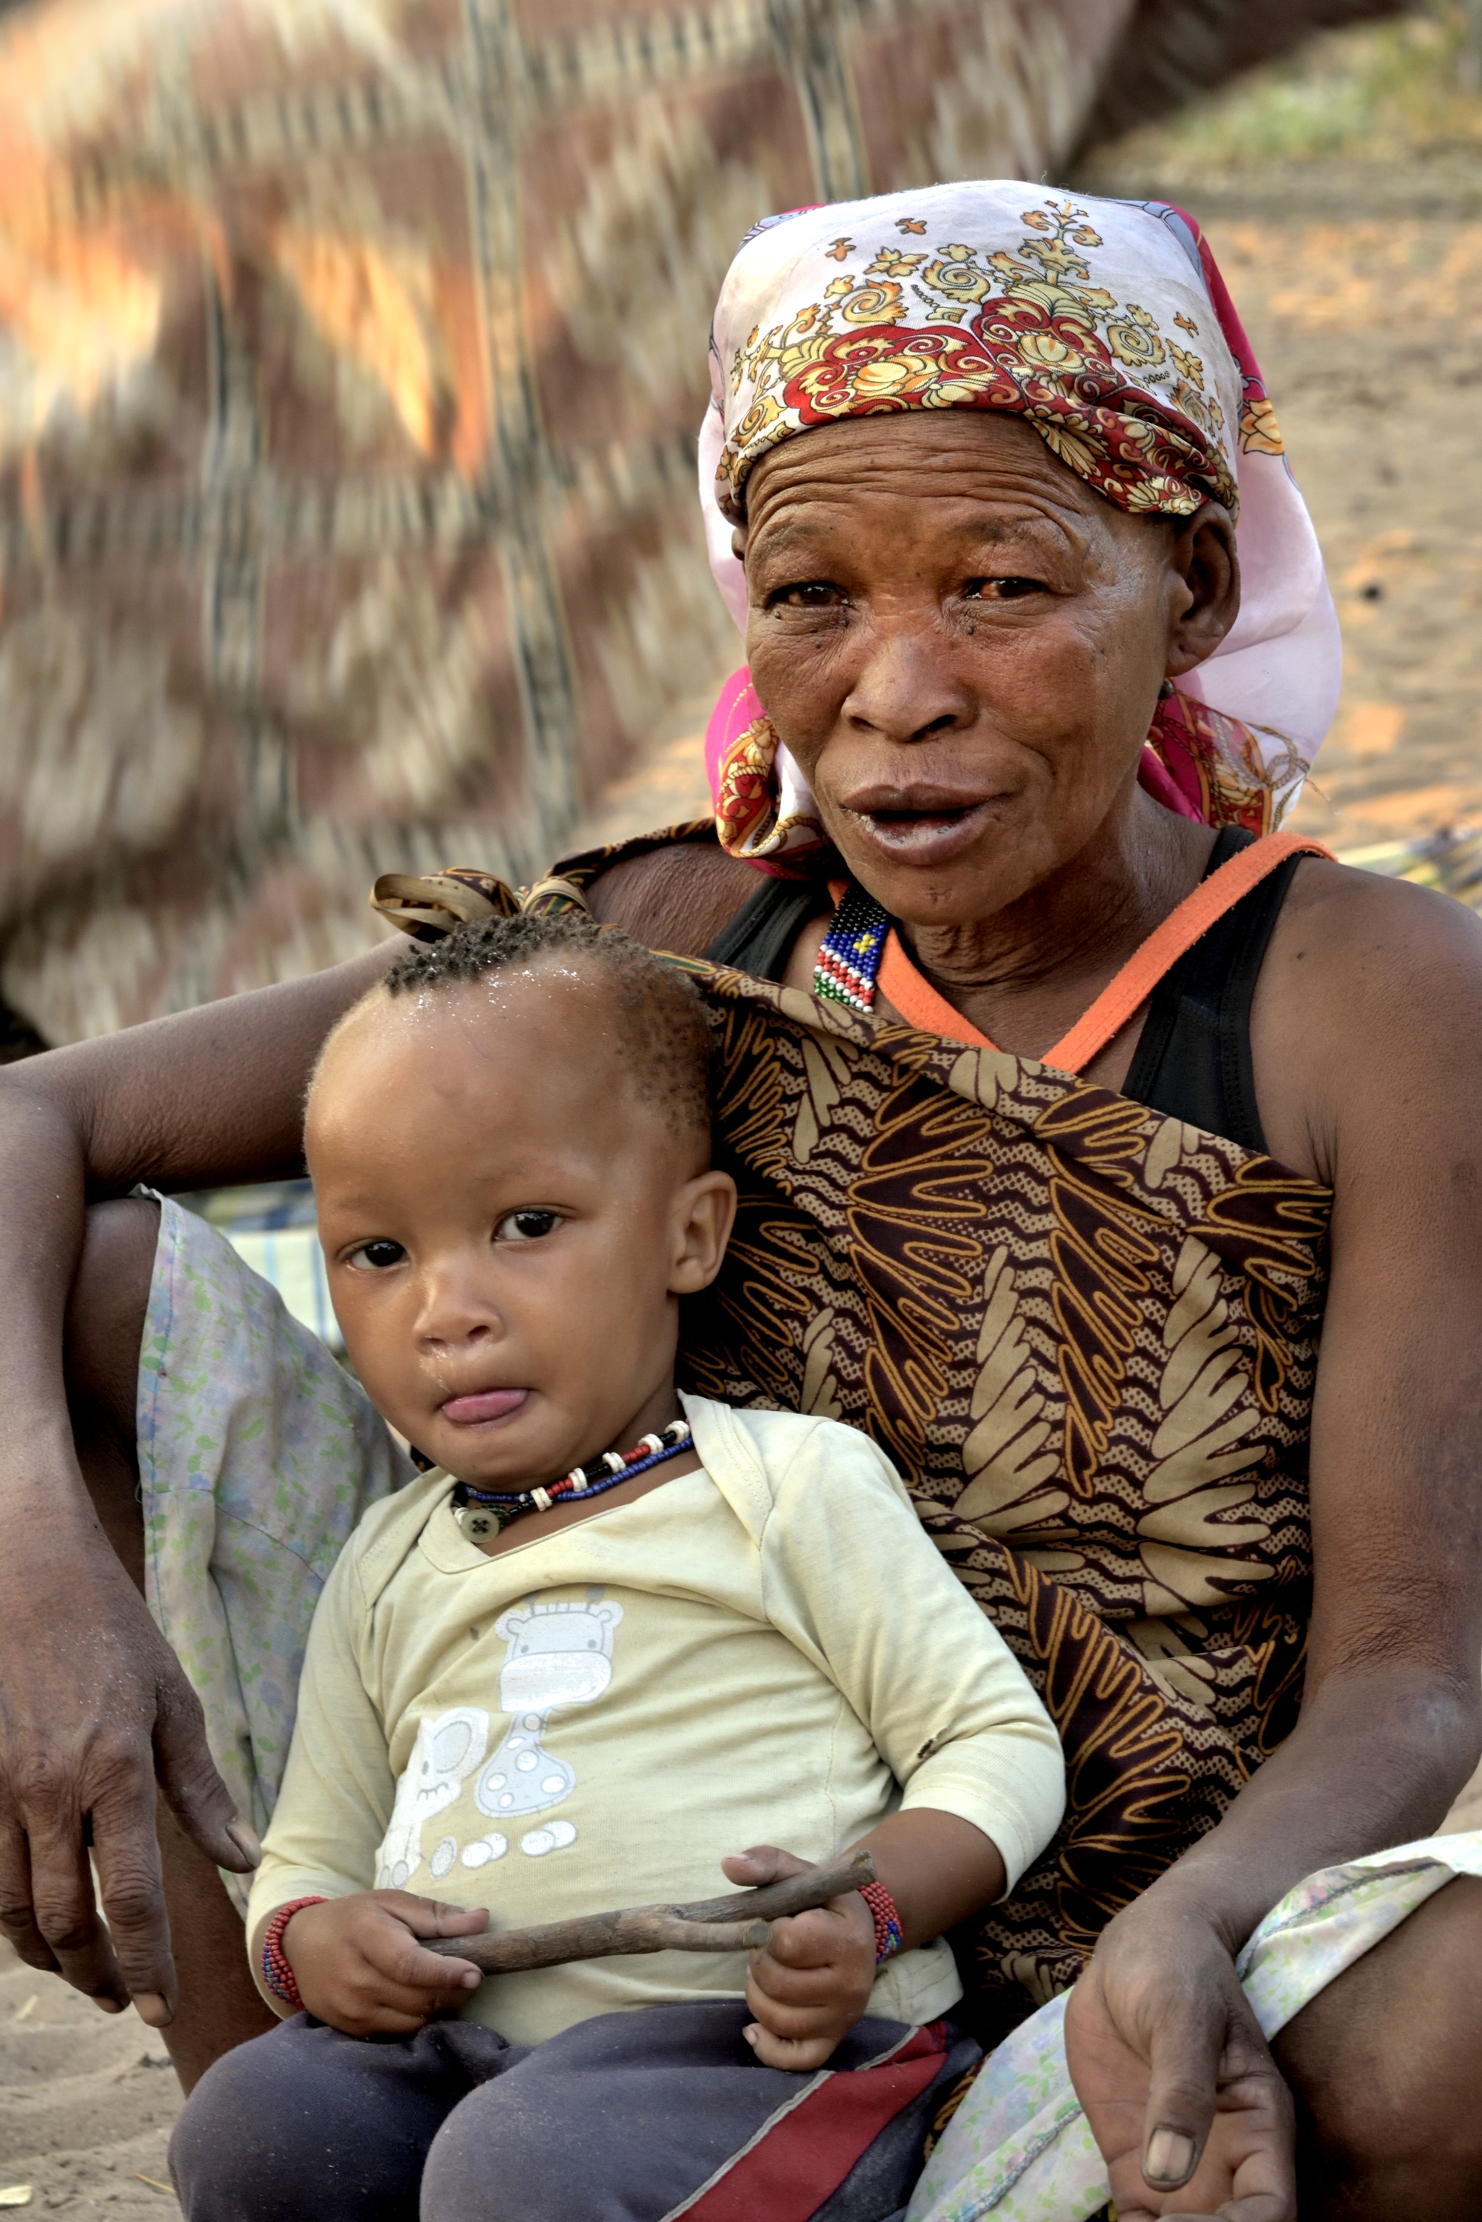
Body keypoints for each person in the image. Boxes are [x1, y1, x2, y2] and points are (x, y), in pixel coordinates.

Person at [3, 176, 1482, 2222]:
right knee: (81, 1280)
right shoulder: (688, 945)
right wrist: (43, 1588)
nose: (897, 693)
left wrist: (1200, 1925)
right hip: (622, 1934)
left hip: (1100, 1980)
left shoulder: (1362, 1001)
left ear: (1199, 590)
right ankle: (307, 2118)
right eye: (812, 598)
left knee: (1457, 2014)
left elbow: (1412, 1667)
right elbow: (27, 1126)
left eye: (1000, 586)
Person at [166, 906, 1064, 2221]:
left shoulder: (782, 1482)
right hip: (459, 2054)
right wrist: (310, 1937)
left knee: (520, 2165)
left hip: (749, 2053)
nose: (445, 1310)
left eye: (526, 1222)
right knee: (252, 2124)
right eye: (377, 1253)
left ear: (686, 1236)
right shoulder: (387, 1560)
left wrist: (868, 1909)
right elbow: (314, 1842)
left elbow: (992, 1741)